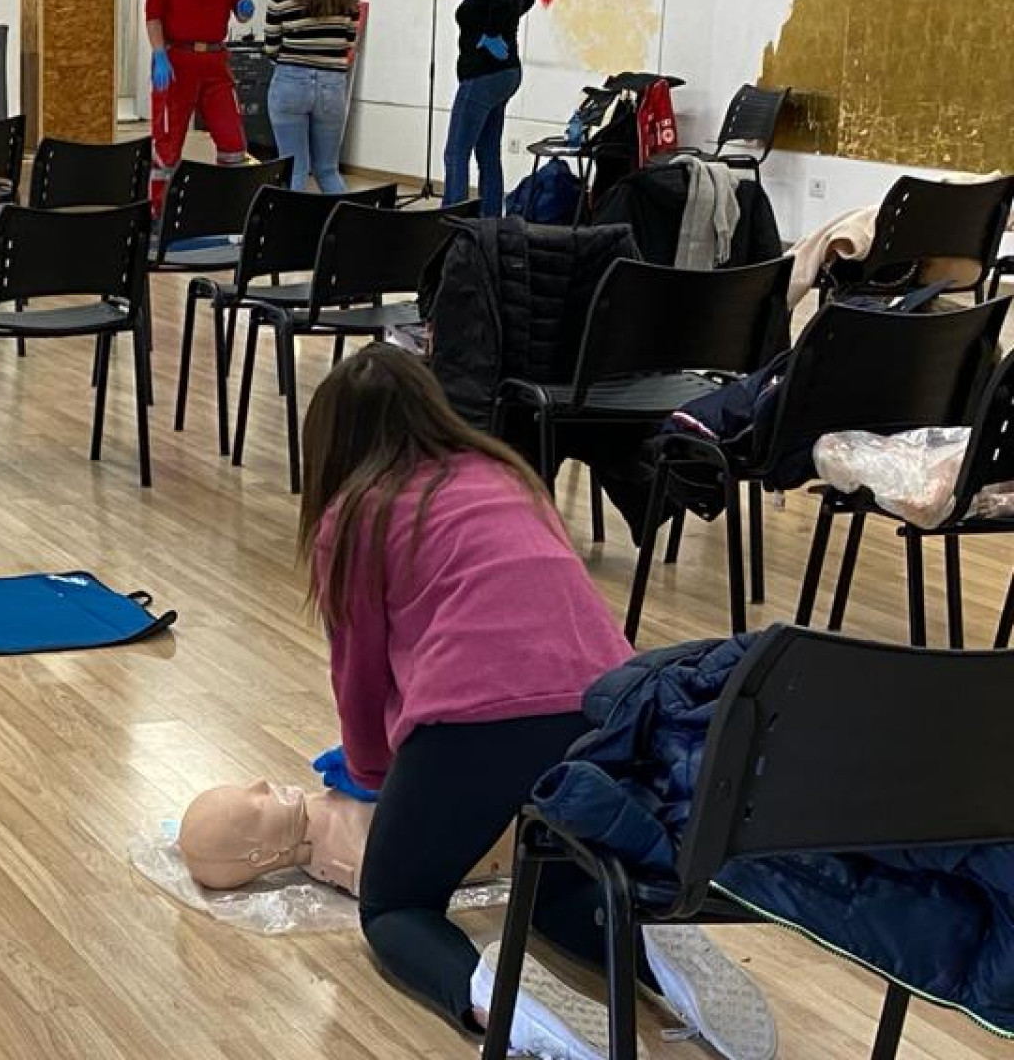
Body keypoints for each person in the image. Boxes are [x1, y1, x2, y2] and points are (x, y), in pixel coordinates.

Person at [297, 345, 761, 1056]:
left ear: (333, 443)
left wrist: (375, 778)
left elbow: (357, 674)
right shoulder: (506, 475)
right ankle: (651, 951)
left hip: (471, 721)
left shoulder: (356, 512)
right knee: (546, 890)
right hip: (609, 707)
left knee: (395, 907)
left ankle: (495, 1001)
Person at [145, 0, 256, 214]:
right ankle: (159, 213)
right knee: (168, 146)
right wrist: (159, 52)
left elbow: (241, 12)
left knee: (233, 143)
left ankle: (229, 210)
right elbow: (153, 16)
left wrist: (244, 8)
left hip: (216, 62)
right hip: (177, 61)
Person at [443, 0, 534, 217]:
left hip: (483, 75)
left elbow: (502, 2)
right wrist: (502, 27)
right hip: (506, 73)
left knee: (456, 152)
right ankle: (491, 220)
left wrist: (492, 32)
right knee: (488, 152)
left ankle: (453, 221)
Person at [264, 0, 361, 193]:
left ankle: (293, 226)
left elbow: (271, 46)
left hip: (290, 83)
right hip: (332, 85)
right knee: (327, 170)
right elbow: (349, 42)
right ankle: (344, 225)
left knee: (294, 170)